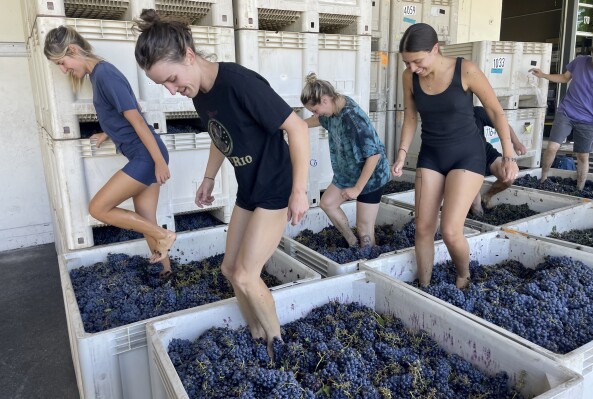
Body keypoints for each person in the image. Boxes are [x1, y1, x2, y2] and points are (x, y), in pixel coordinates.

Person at [133, 10, 310, 355]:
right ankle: (259, 339)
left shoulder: (239, 83)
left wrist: (299, 191)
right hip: (249, 189)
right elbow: (220, 135)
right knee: (230, 269)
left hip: (276, 188)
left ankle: (281, 351)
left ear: (188, 55)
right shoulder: (201, 94)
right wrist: (208, 177)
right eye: (162, 86)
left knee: (246, 273)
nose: (172, 90)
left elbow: (298, 127)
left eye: (171, 79)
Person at [392, 23, 519, 289]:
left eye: (417, 61)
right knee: (424, 227)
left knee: (450, 230)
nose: (412, 68)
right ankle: (425, 287)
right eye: (407, 62)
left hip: (467, 155)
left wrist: (508, 154)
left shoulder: (466, 70)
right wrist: (402, 154)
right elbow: (411, 117)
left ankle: (463, 276)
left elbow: (495, 111)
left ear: (435, 49)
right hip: (431, 155)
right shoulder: (409, 76)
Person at [43, 26, 176, 274]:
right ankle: (166, 273)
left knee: (98, 209)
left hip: (147, 156)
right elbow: (123, 110)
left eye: (63, 62)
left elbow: (137, 118)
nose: (64, 70)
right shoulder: (97, 75)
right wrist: (108, 131)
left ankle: (164, 235)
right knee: (146, 221)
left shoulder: (105, 75)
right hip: (145, 154)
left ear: (73, 50)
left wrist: (159, 162)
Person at [301, 74, 391, 247]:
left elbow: (374, 155)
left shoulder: (352, 119)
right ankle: (352, 243)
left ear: (325, 100)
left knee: (364, 228)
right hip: (348, 173)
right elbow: (316, 120)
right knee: (327, 203)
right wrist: (293, 126)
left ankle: (369, 260)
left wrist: (357, 189)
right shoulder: (334, 107)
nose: (315, 114)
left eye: (315, 109)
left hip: (371, 177)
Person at [529, 40, 593, 190]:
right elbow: (564, 78)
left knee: (583, 156)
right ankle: (543, 179)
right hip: (567, 111)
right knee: (552, 147)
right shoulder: (579, 61)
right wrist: (543, 75)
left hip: (589, 119)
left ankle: (579, 189)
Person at [470, 106, 528, 215]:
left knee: (508, 177)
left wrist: (516, 142)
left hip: (485, 152)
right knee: (476, 208)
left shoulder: (476, 112)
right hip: (465, 160)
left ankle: (487, 196)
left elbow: (502, 124)